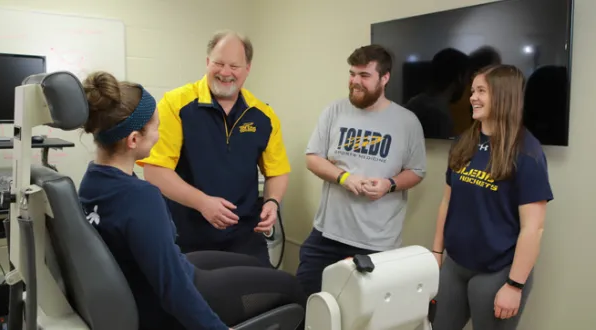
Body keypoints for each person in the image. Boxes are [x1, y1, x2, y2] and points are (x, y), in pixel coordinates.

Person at [77, 71, 306, 330]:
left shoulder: (91, 181)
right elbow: (172, 289)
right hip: (165, 302)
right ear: (133, 140)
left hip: (160, 274)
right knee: (291, 287)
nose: (159, 134)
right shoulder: (141, 198)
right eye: (155, 127)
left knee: (252, 263)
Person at [136, 30, 290, 266]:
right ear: (208, 62)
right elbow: (155, 171)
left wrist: (272, 201)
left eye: (234, 66)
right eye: (218, 63)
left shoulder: (263, 116)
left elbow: (277, 170)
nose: (225, 73)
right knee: (198, 300)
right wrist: (203, 203)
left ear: (247, 68)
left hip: (245, 238)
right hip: (186, 236)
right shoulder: (176, 104)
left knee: (259, 296)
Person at [296, 44, 427, 297]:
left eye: (364, 76)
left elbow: (417, 171)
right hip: (326, 235)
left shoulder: (407, 121)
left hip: (377, 243)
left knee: (363, 316)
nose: (355, 82)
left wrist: (388, 184)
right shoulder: (335, 111)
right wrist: (343, 177)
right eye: (352, 74)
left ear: (384, 78)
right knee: (305, 304)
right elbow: (313, 158)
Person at [430, 64, 553, 330]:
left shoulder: (526, 153)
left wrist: (514, 285)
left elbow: (533, 228)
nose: (472, 97)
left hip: (498, 272)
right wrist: (436, 252)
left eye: (481, 91)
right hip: (455, 266)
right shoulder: (463, 142)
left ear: (503, 95)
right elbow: (446, 202)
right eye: (473, 90)